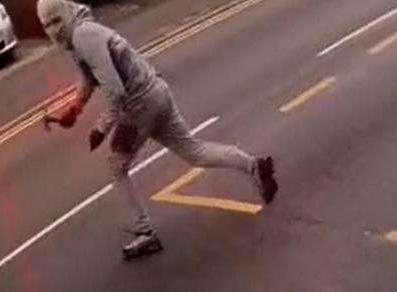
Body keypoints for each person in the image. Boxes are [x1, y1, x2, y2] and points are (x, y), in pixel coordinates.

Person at [37, 0, 279, 260]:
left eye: (55, 20)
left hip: (139, 106)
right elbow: (88, 76)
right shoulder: (81, 35)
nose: (52, 29)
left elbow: (116, 92)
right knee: (194, 151)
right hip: (156, 93)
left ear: (65, 12)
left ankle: (145, 231)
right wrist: (74, 109)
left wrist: (101, 127)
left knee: (117, 166)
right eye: (46, 25)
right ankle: (253, 165)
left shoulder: (84, 36)